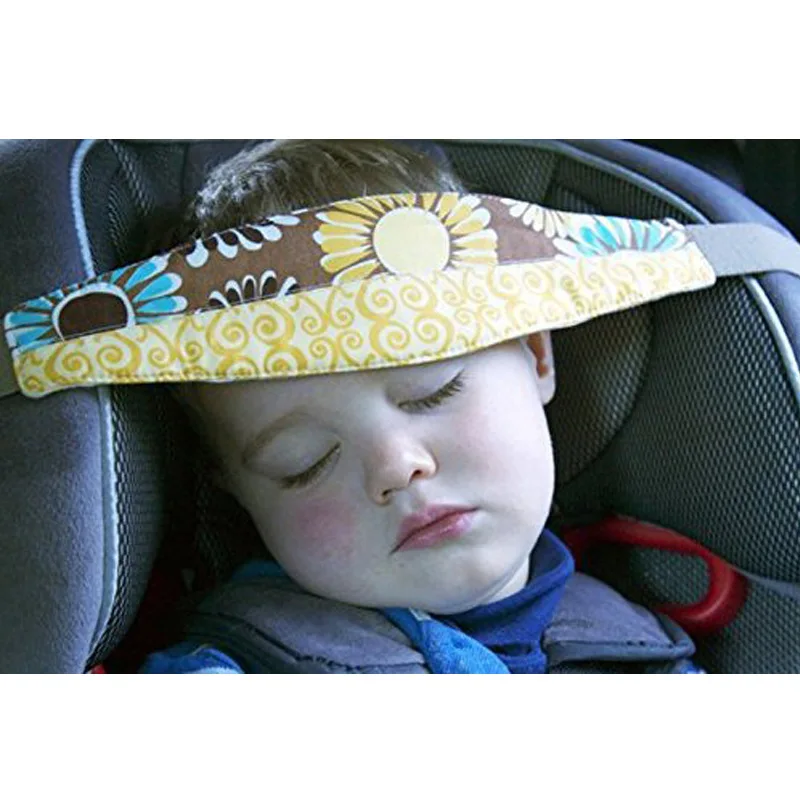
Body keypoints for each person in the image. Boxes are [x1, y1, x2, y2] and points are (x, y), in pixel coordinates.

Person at [140, 139, 703, 673]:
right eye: (304, 462)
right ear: (233, 488)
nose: (396, 466)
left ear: (534, 354)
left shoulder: (648, 651)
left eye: (435, 390)